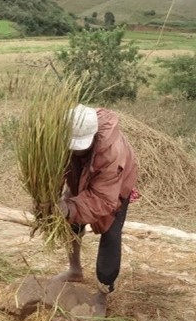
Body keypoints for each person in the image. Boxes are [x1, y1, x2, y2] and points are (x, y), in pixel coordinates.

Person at [56, 104, 138, 301]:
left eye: (80, 147)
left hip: (115, 185)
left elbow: (103, 199)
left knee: (110, 232)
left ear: (93, 137)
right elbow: (53, 169)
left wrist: (68, 208)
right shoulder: (60, 134)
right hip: (81, 173)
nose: (75, 151)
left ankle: (103, 292)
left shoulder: (112, 153)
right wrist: (50, 198)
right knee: (71, 222)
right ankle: (75, 270)